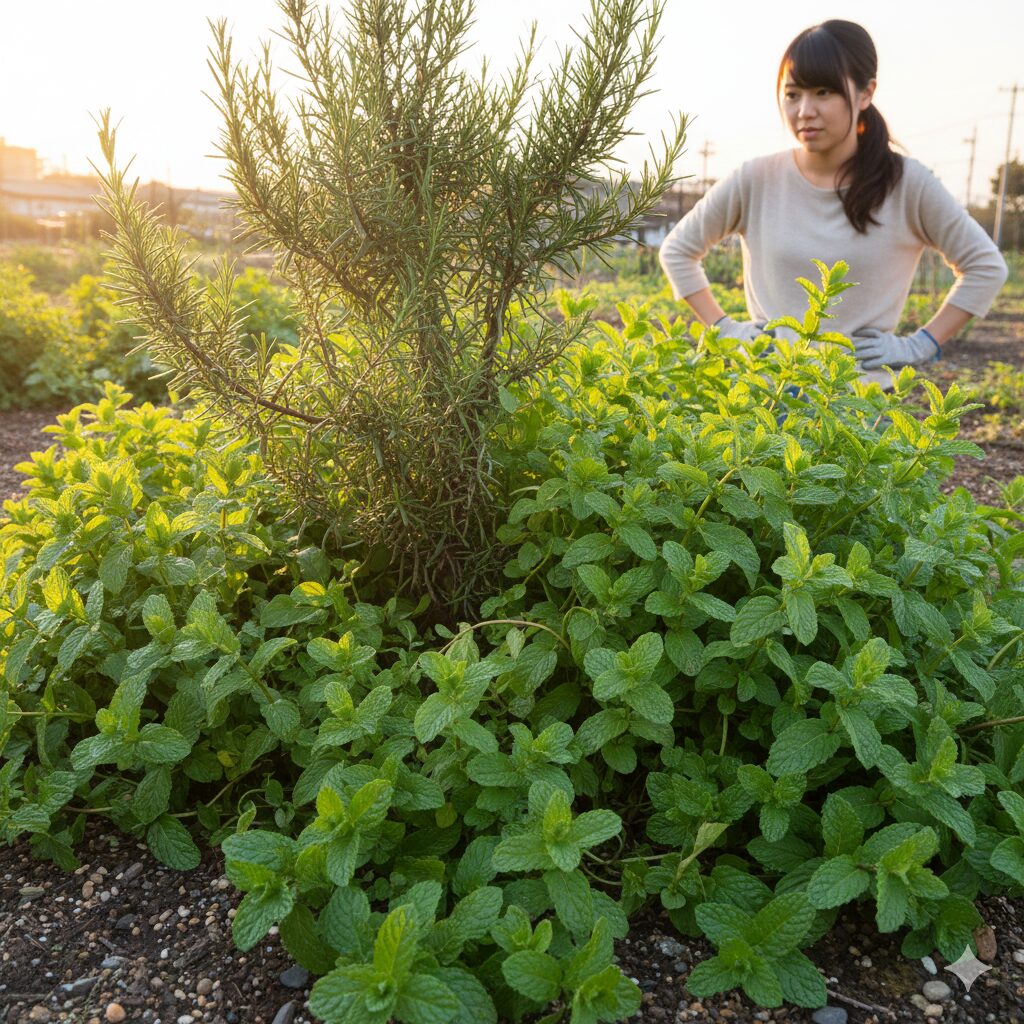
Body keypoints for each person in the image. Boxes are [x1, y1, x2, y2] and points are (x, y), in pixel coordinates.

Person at [658, 19, 1009, 378]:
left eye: (824, 92)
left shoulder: (906, 183)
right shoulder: (756, 178)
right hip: (764, 403)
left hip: (861, 407)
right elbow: (678, 251)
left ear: (865, 93)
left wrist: (920, 344)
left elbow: (985, 266)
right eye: (793, 94)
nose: (804, 110)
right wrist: (725, 329)